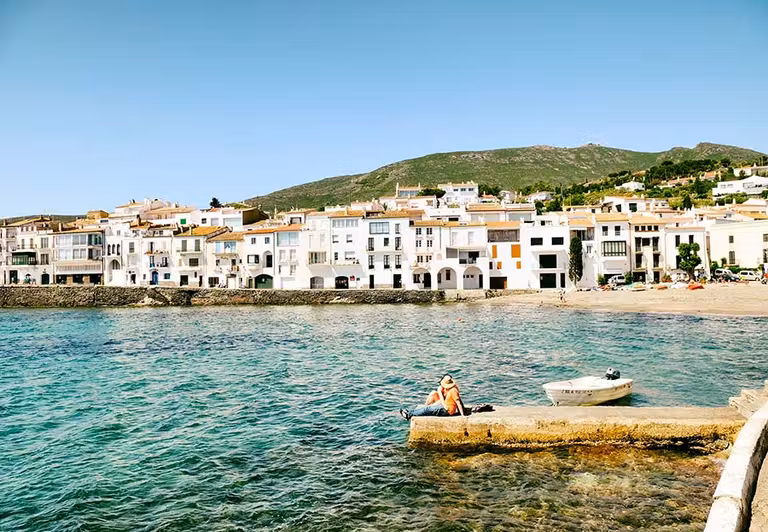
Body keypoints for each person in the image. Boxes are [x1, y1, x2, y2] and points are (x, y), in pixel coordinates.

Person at [399, 374, 465, 420]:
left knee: (427, 410)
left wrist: (462, 415)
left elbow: (458, 402)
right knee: (428, 409)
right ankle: (411, 412)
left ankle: (409, 414)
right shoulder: (453, 389)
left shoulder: (453, 391)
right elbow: (459, 400)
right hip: (446, 408)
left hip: (447, 410)